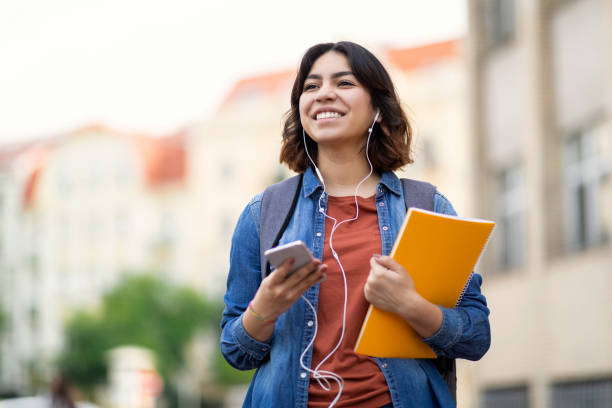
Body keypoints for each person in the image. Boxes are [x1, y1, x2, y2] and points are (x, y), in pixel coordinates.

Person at [220, 41, 490, 408]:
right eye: (311, 87)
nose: (324, 94)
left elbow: (475, 335)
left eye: (344, 83)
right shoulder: (262, 213)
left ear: (378, 108)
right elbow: (236, 352)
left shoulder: (428, 207)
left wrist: (410, 305)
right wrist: (264, 308)